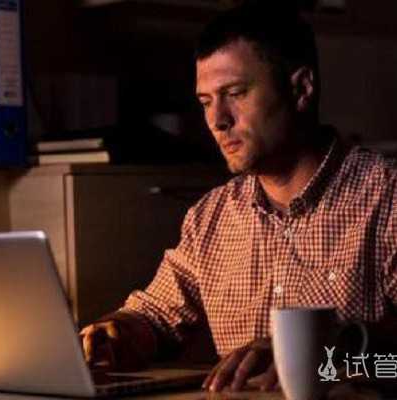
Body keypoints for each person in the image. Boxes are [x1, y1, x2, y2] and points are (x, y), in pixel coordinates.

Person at [80, 0, 397, 393]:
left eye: (235, 93)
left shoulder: (386, 200)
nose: (217, 120)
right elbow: (154, 317)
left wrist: (329, 353)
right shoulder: (210, 217)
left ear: (301, 89)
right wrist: (117, 333)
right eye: (206, 102)